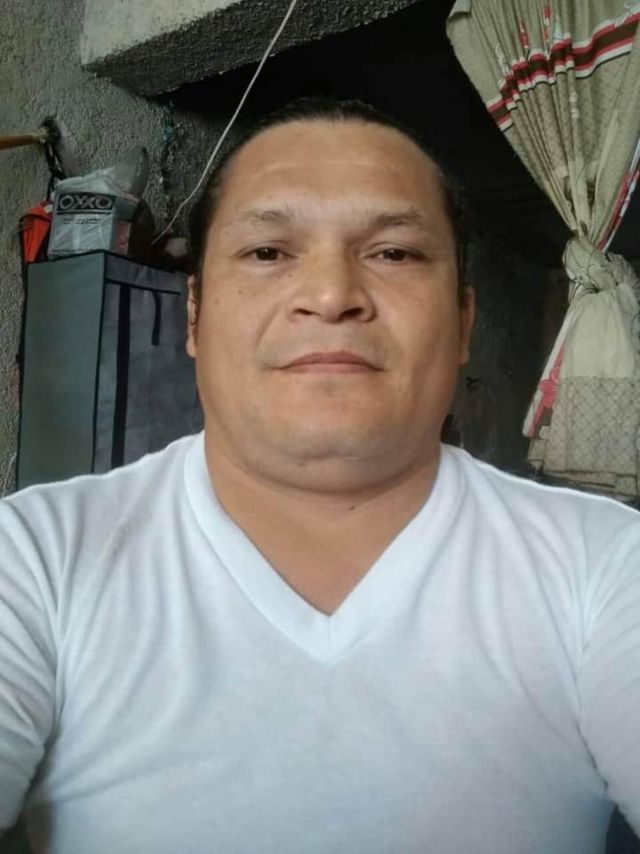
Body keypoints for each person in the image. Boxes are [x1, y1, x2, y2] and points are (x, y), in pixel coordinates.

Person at [0, 96, 639, 854]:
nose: (332, 296)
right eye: (268, 252)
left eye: (394, 253)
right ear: (194, 315)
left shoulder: (606, 567)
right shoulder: (33, 559)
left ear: (463, 323)